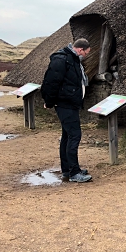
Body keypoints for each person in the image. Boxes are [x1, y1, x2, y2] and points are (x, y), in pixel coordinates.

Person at [41, 38, 92, 182]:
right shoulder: (62, 59)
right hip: (65, 104)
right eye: (86, 53)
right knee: (75, 135)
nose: (86, 56)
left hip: (70, 103)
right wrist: (49, 101)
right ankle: (74, 172)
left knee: (67, 136)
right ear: (80, 50)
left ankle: (67, 170)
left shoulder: (72, 59)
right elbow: (51, 81)